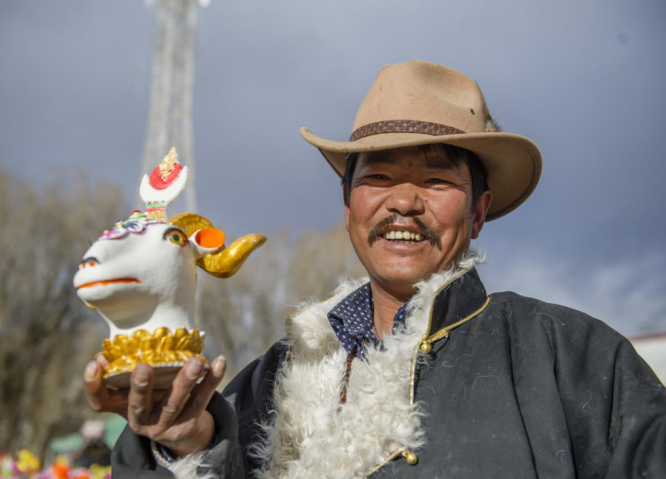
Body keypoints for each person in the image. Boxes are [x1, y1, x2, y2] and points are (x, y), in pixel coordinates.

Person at [84, 61, 666, 478]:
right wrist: (185, 449)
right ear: (348, 206)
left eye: (436, 179)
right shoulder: (273, 379)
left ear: (480, 210)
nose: (404, 203)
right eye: (379, 178)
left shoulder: (571, 357)